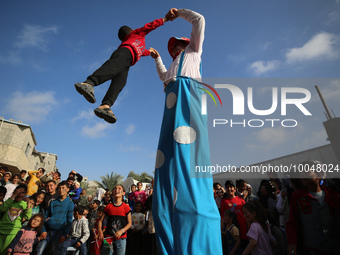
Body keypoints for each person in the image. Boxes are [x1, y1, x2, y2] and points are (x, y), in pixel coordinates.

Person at [150, 8, 222, 255]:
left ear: (187, 43)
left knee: (189, 145)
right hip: (172, 96)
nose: (176, 49)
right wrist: (158, 58)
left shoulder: (194, 51)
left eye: (179, 45)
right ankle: (169, 235)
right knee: (166, 155)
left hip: (189, 93)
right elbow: (164, 76)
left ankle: (197, 227)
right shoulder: (171, 66)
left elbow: (200, 19)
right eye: (173, 48)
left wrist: (178, 12)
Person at [74, 10, 175, 124]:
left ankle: (106, 105)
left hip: (128, 62)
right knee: (112, 68)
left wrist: (150, 52)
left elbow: (141, 51)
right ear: (131, 31)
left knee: (120, 82)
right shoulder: (136, 34)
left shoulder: (137, 43)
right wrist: (165, 19)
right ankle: (88, 83)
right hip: (124, 53)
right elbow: (150, 26)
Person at [286, 160, 340, 255]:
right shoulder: (297, 197)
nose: (303, 175)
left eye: (306, 172)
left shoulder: (333, 196)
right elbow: (292, 222)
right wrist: (292, 242)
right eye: (301, 173)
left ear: (318, 175)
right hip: (312, 249)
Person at [35, 181, 74, 255]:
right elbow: (45, 216)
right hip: (48, 231)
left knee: (57, 252)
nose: (61, 190)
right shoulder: (53, 202)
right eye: (59, 188)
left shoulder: (70, 203)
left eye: (63, 188)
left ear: (68, 189)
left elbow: (69, 220)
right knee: (39, 251)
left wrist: (65, 234)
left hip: (59, 232)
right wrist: (43, 230)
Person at [98, 184, 132, 255]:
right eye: (115, 188)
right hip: (107, 238)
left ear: (123, 193)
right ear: (112, 193)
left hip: (121, 238)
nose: (116, 190)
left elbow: (129, 223)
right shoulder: (108, 207)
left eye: (119, 188)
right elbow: (100, 221)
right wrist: (100, 232)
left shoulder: (126, 207)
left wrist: (121, 231)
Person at [0, 184, 32, 254]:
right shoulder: (10, 201)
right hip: (2, 229)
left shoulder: (24, 204)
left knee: (4, 252)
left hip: (13, 231)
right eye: (18, 192)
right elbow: (2, 209)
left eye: (23, 193)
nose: (20, 195)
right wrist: (13, 196)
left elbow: (28, 216)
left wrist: (28, 203)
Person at [221, 180, 248, 251]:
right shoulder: (224, 201)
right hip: (231, 231)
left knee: (244, 248)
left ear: (235, 189)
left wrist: (248, 228)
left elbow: (246, 215)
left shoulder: (241, 201)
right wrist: (221, 230)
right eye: (227, 187)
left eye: (231, 187)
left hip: (243, 229)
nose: (229, 189)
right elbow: (222, 217)